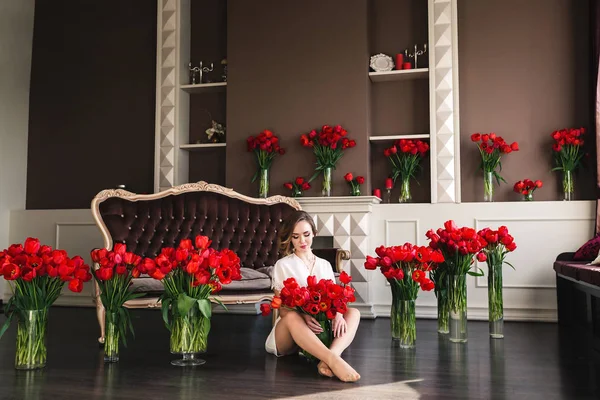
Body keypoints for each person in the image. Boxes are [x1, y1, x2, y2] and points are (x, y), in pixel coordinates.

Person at [264, 210, 361, 382]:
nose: (302, 241)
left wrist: (338, 315)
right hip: (289, 334)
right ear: (290, 238)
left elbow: (334, 301)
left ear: (314, 233)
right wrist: (303, 316)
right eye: (295, 236)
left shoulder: (324, 265)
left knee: (354, 313)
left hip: (319, 329)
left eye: (306, 234)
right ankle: (334, 361)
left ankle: (328, 358)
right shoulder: (283, 265)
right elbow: (283, 310)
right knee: (293, 316)